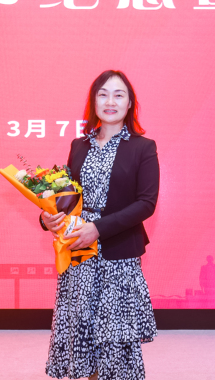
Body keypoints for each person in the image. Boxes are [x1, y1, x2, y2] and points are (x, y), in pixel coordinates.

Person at [40, 69, 159, 380]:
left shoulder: (143, 147)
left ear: (130, 103)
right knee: (83, 328)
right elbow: (67, 196)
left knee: (115, 334)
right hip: (80, 250)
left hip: (118, 251)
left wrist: (99, 229)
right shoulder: (79, 145)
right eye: (103, 95)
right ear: (93, 102)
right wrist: (48, 217)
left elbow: (146, 203)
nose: (110, 102)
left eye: (119, 95)